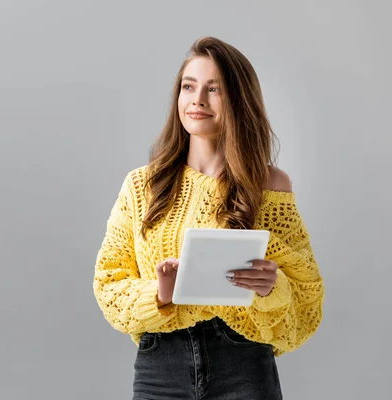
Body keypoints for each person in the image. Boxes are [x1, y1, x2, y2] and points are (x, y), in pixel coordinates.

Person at [92, 36, 325, 400]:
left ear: (237, 100)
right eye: (189, 86)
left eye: (213, 89)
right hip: (160, 367)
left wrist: (270, 288)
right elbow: (108, 283)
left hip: (242, 363)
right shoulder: (142, 185)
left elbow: (306, 298)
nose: (197, 99)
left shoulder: (270, 185)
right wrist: (161, 293)